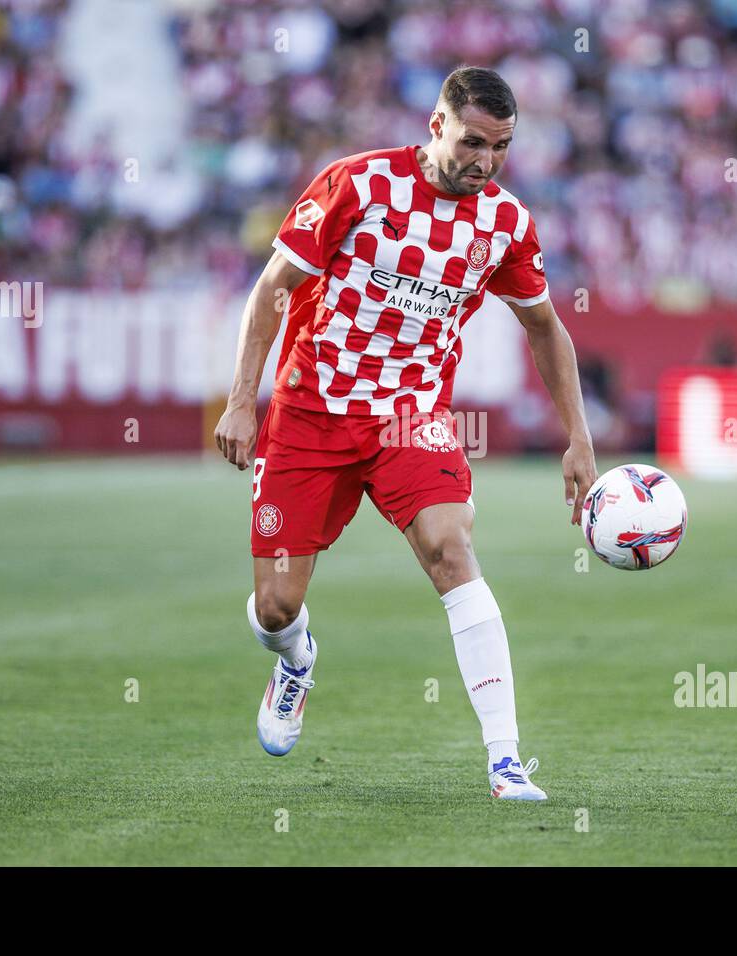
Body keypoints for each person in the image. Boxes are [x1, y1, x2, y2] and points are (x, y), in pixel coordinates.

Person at [214, 66, 597, 801]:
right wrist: (241, 401)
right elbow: (272, 290)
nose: (484, 162)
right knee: (275, 608)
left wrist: (577, 435)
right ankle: (296, 662)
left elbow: (546, 327)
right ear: (436, 125)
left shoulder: (507, 224)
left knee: (451, 548)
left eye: (501, 148)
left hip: (410, 415)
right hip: (311, 410)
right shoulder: (357, 185)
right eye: (472, 142)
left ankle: (506, 759)